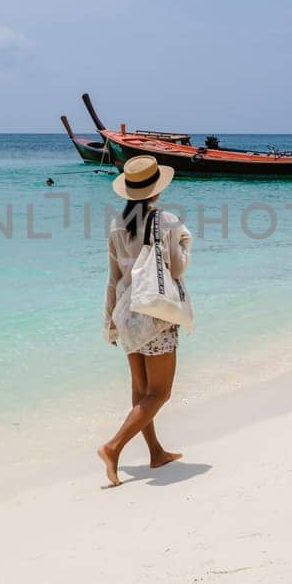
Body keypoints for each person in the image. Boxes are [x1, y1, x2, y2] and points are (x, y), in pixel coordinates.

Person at [98, 156, 192, 487]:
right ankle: (113, 447)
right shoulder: (165, 221)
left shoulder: (116, 225)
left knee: (141, 392)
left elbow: (113, 277)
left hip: (126, 314)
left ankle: (155, 452)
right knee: (159, 392)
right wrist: (184, 244)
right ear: (156, 188)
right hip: (155, 314)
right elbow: (177, 269)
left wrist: (109, 321)